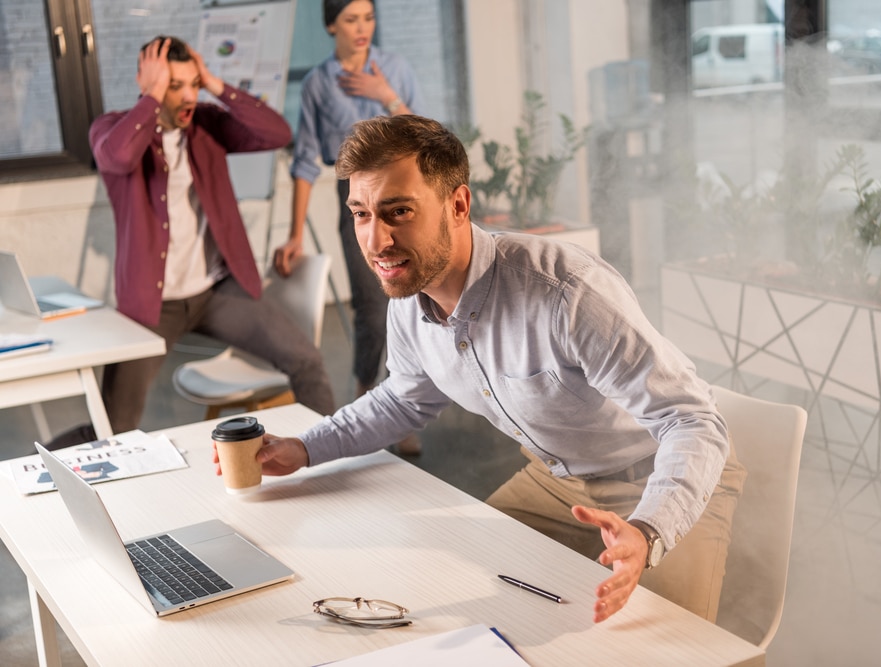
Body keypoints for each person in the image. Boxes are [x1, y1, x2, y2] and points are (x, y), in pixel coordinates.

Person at [244, 115, 746, 624]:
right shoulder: (410, 295)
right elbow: (404, 398)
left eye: (398, 212)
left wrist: (649, 530)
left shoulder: (566, 292)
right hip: (558, 481)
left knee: (674, 648)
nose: (376, 241)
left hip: (655, 474)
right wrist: (305, 447)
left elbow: (691, 421)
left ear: (458, 205)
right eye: (361, 214)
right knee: (466, 597)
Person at [88, 36, 336, 435]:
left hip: (217, 293)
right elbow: (116, 157)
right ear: (146, 82)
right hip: (154, 306)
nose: (188, 96)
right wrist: (151, 98)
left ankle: (326, 458)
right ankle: (41, 467)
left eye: (193, 84)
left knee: (306, 360)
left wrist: (215, 84)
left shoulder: (207, 123)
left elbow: (276, 132)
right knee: (112, 426)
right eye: (174, 85)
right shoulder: (112, 128)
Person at [275, 0, 423, 455]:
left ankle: (406, 405)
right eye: (351, 20)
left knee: (415, 305)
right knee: (372, 307)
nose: (362, 29)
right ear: (330, 25)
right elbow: (304, 162)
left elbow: (428, 139)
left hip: (409, 199)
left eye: (369, 18)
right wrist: (295, 233)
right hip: (358, 205)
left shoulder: (394, 68)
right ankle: (367, 398)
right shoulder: (319, 84)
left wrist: (386, 96)